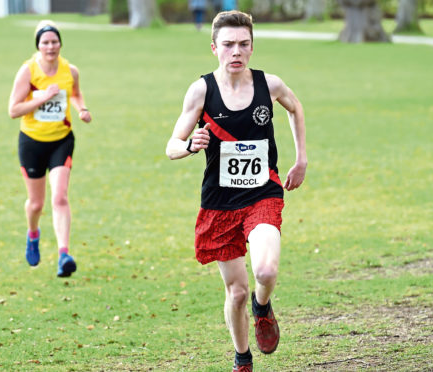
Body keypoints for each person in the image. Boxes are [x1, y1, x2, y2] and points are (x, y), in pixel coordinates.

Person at [165, 11, 306, 372]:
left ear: (252, 47)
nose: (236, 51)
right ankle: (242, 358)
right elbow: (171, 145)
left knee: (266, 271)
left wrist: (301, 159)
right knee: (236, 291)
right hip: (220, 204)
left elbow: (295, 108)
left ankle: (263, 306)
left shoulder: (269, 85)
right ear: (214, 48)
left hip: (263, 195)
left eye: (243, 44)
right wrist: (191, 145)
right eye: (228, 44)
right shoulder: (201, 91)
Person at [8, 20, 92, 277]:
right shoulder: (28, 71)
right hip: (32, 142)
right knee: (36, 204)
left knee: (60, 197)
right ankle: (33, 234)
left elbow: (75, 93)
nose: (50, 46)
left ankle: (63, 254)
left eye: (54, 41)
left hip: (61, 140)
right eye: (45, 42)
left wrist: (82, 109)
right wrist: (43, 96)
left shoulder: (70, 70)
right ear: (38, 45)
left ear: (60, 44)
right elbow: (13, 110)